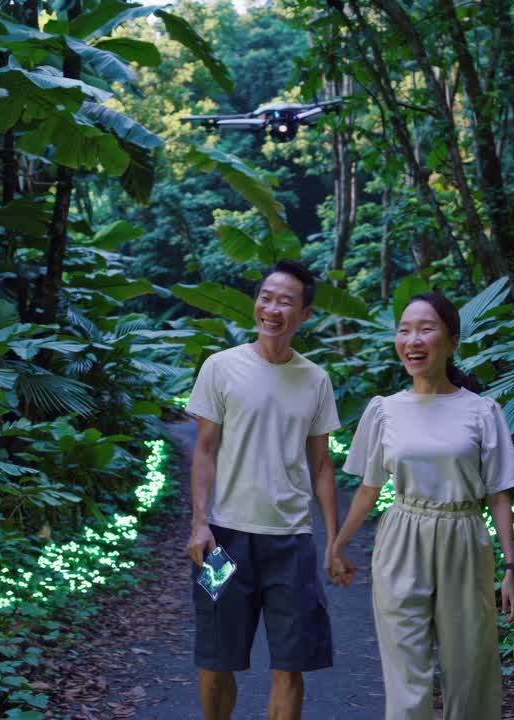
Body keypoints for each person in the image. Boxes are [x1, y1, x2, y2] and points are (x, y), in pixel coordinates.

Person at [329, 290, 514, 720]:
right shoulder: (384, 411)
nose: (413, 340)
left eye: (426, 329)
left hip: (463, 536)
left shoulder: (482, 411)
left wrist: (510, 567)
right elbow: (369, 488)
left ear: (452, 341)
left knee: (470, 666)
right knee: (406, 674)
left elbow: (498, 494)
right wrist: (337, 545)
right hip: (402, 537)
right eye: (404, 330)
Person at [185, 260, 342, 720]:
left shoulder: (315, 379)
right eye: (266, 298)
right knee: (215, 659)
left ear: (305, 314)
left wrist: (332, 540)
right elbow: (204, 450)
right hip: (222, 540)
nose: (272, 309)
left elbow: (322, 465)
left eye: (286, 302)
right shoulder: (220, 367)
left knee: (290, 666)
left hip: (291, 542)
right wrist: (199, 523)